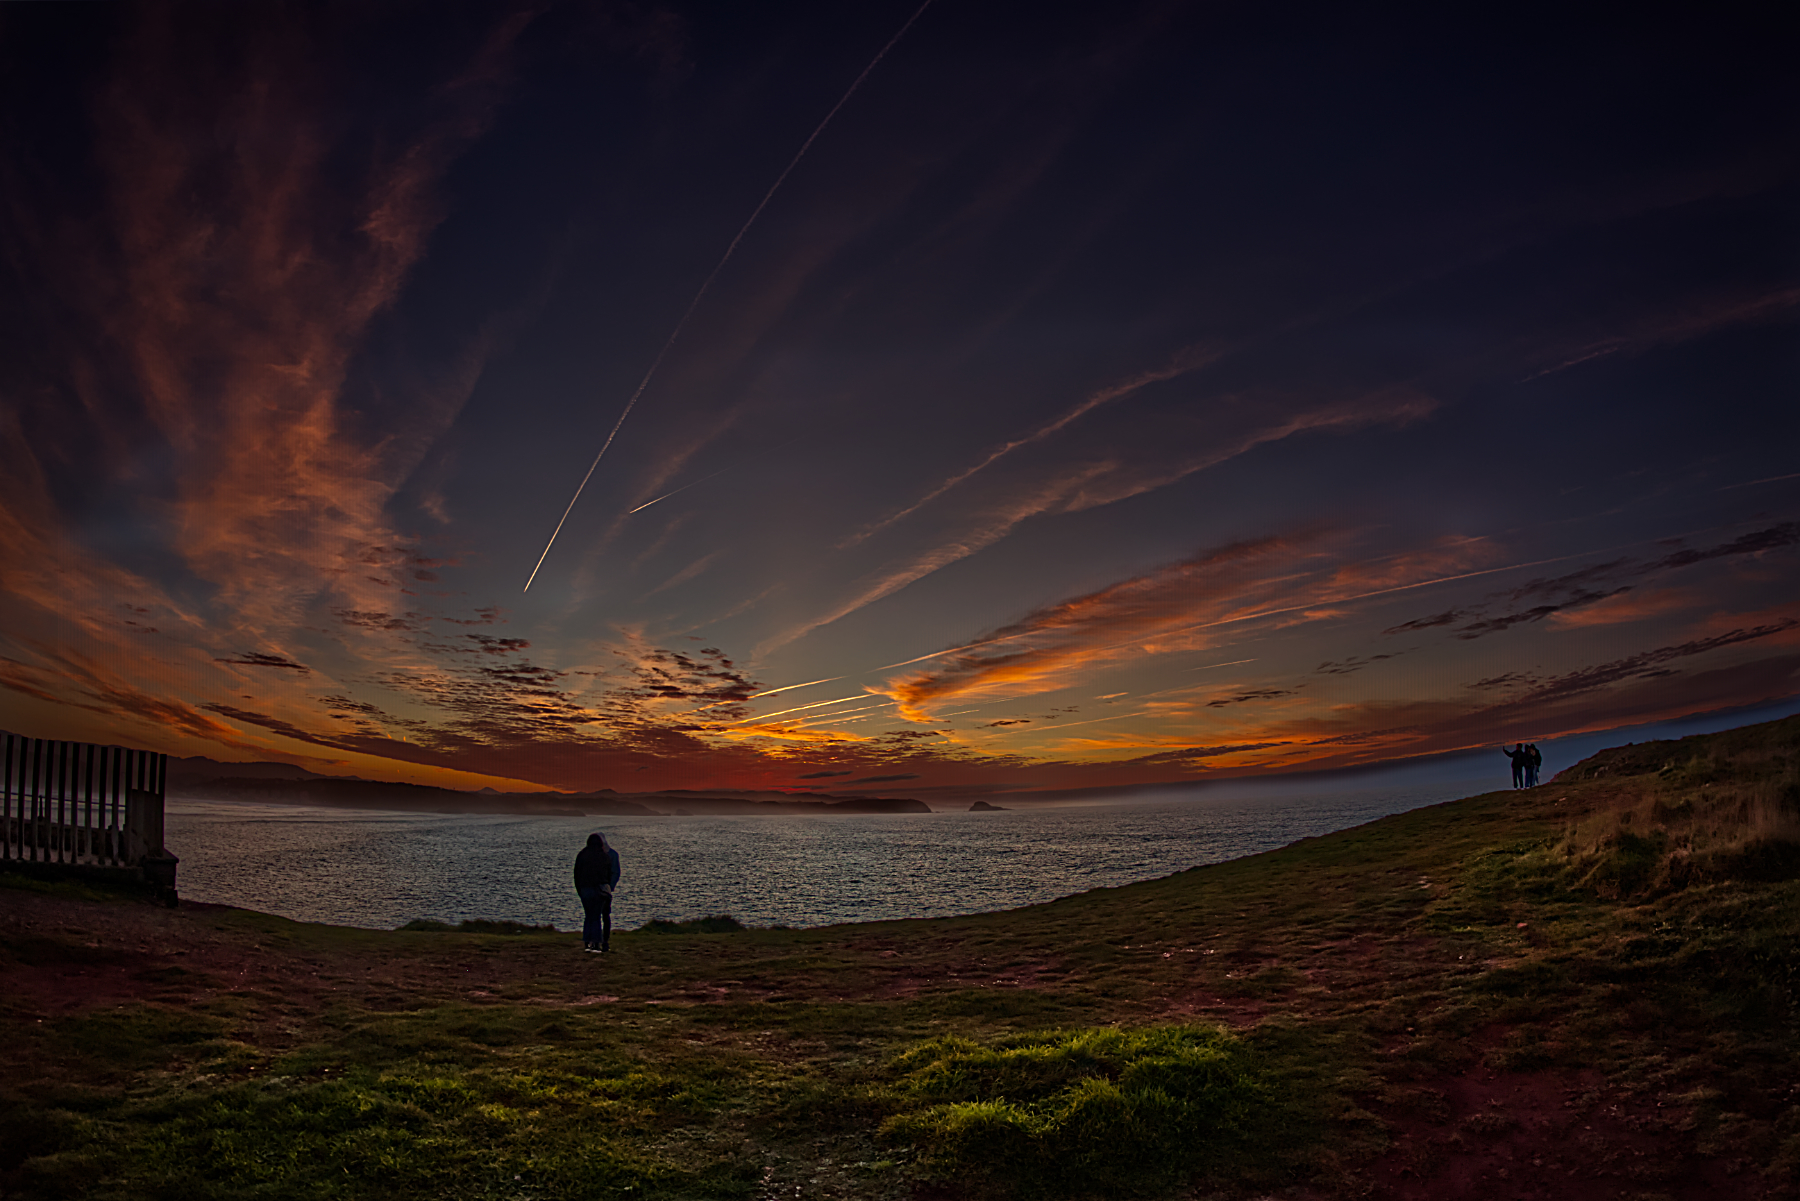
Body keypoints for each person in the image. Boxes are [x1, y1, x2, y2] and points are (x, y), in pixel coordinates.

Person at [574, 832, 621, 953]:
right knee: (598, 917)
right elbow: (609, 873)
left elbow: (577, 874)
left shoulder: (582, 855)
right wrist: (609, 887)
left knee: (589, 916)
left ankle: (587, 943)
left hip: (585, 889)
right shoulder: (605, 856)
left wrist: (579, 890)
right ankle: (597, 943)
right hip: (601, 890)